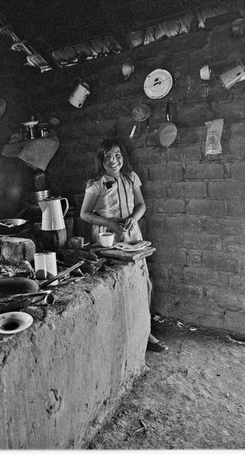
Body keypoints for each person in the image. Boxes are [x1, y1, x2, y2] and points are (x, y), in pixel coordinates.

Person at [80, 138, 168, 352]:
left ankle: (146, 332)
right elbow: (85, 214)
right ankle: (119, 336)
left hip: (131, 236)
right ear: (101, 160)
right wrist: (109, 222)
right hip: (107, 238)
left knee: (144, 283)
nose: (113, 160)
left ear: (123, 157)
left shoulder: (131, 178)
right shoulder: (96, 183)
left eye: (117, 155)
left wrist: (134, 218)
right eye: (108, 156)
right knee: (115, 284)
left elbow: (141, 205)